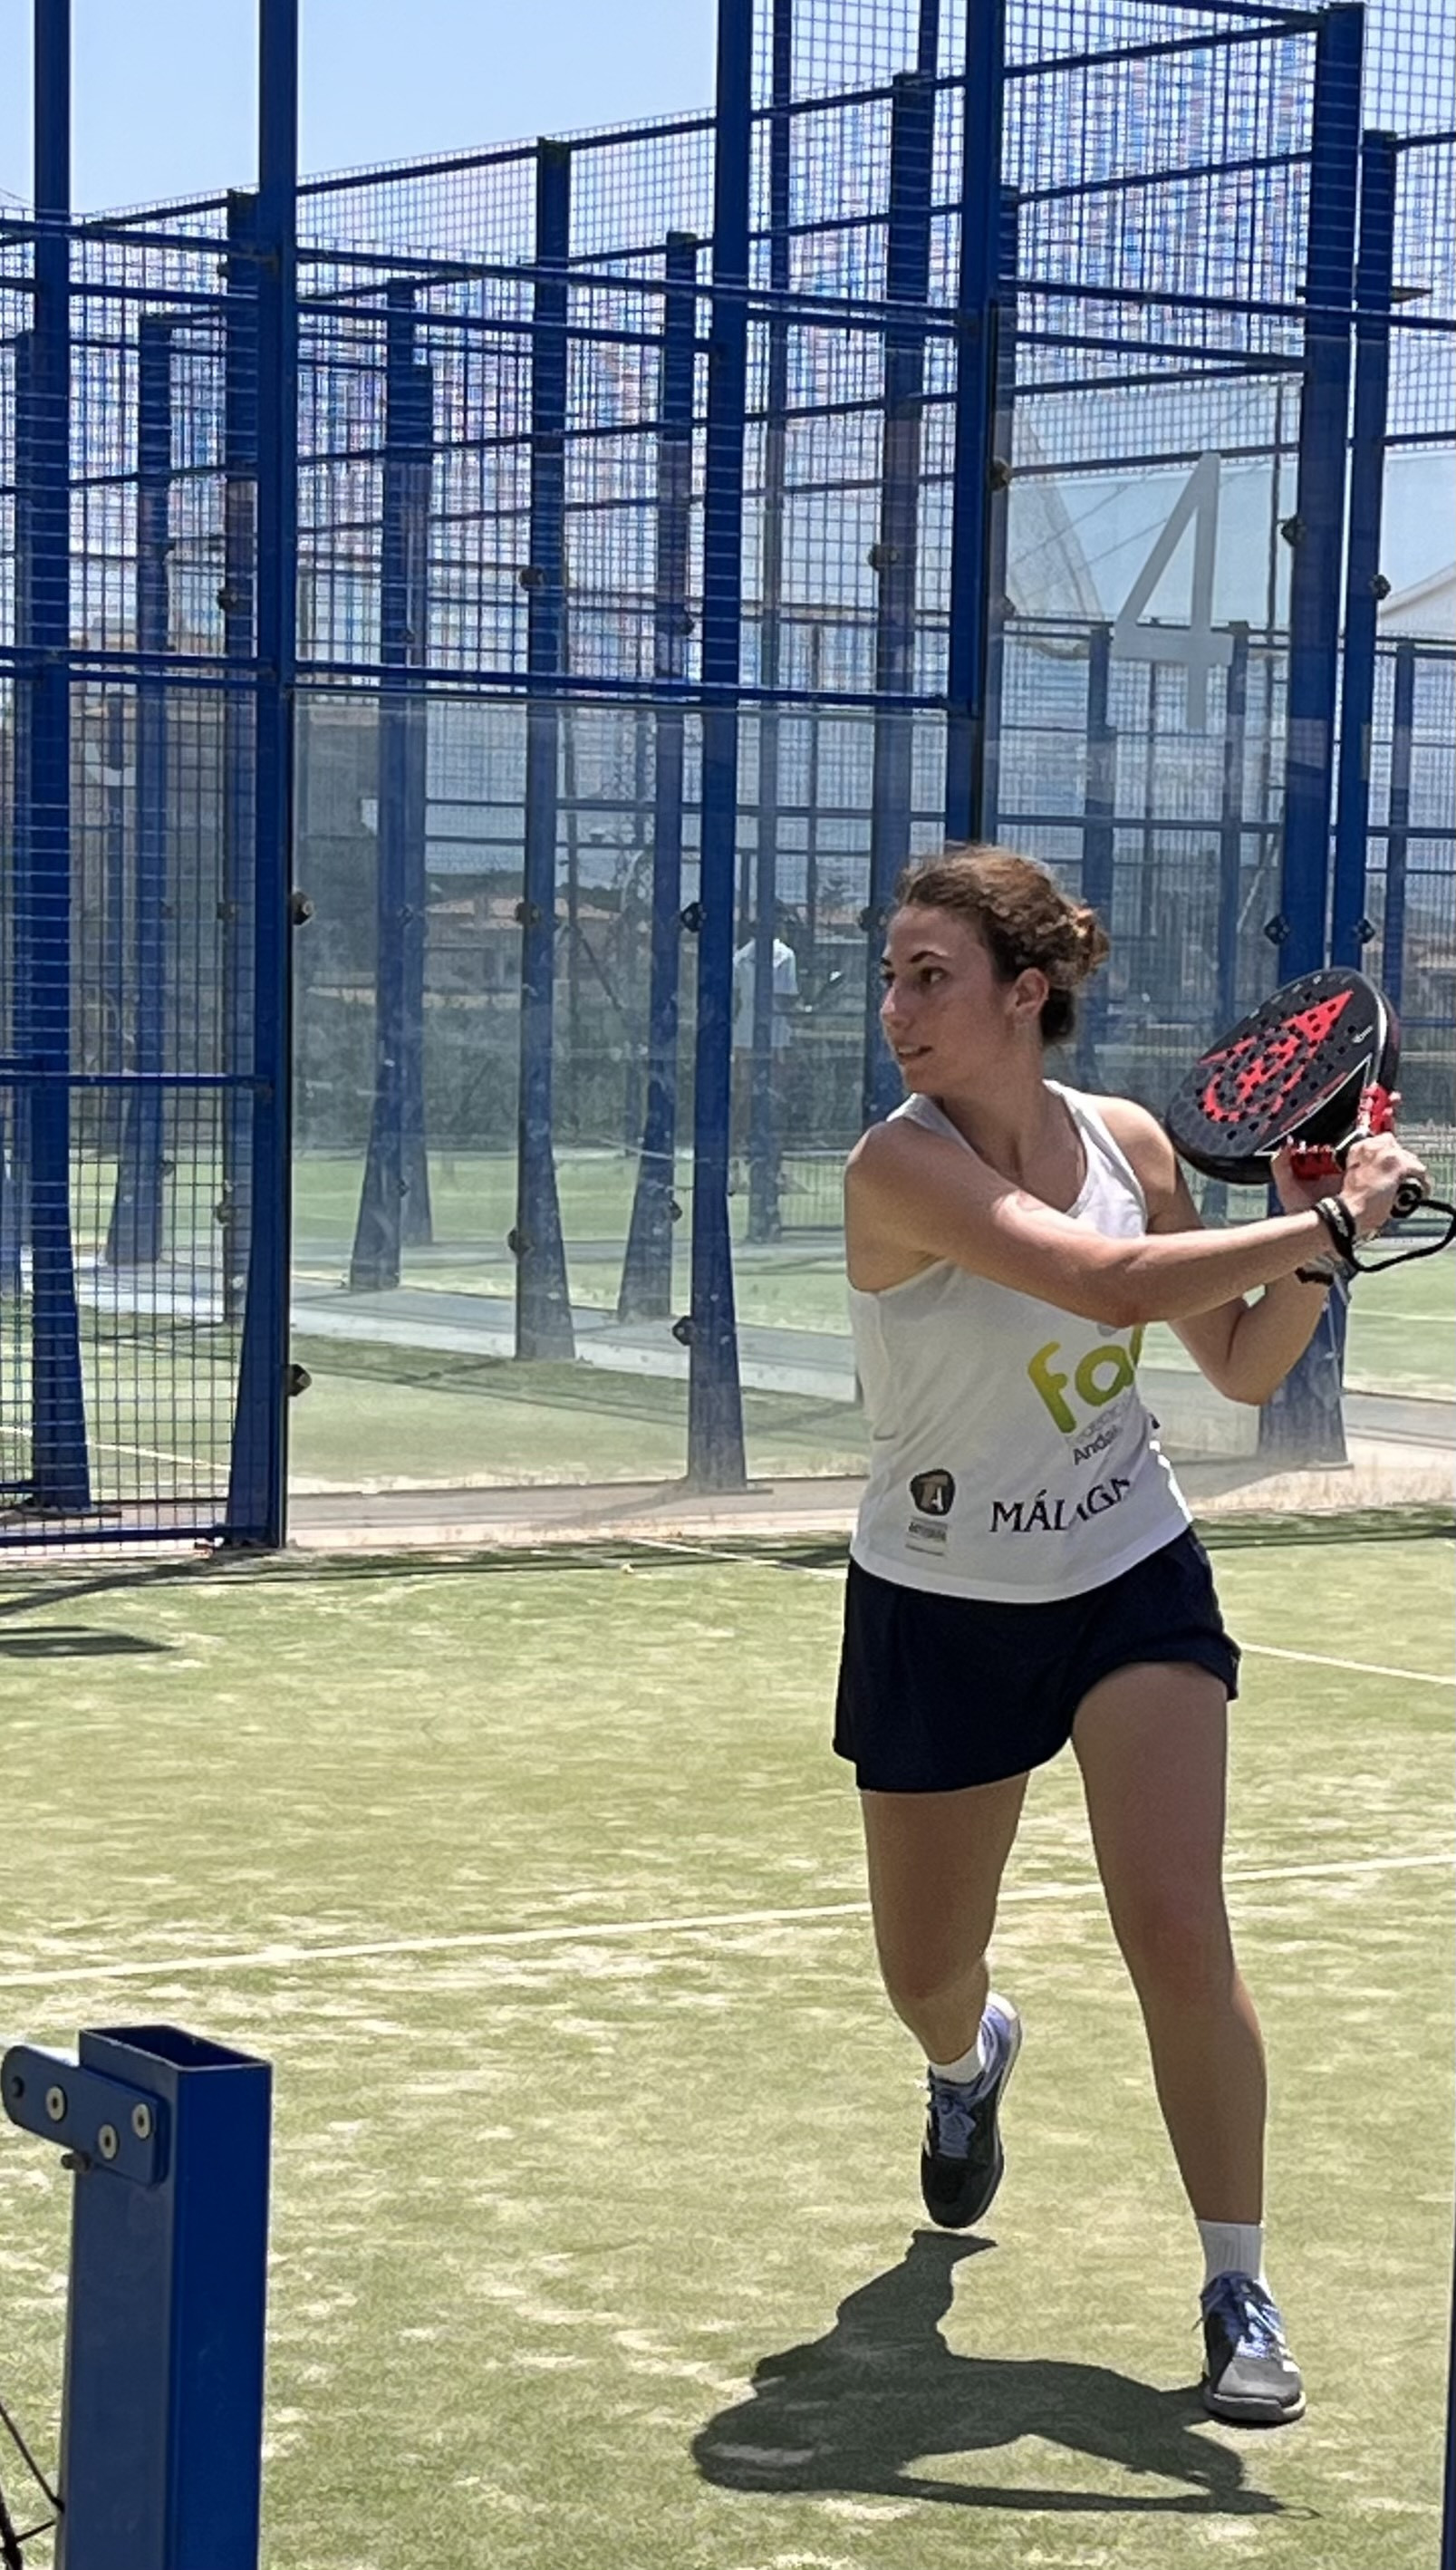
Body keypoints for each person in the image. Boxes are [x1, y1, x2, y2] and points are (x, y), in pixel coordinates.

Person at [836, 845, 1425, 2428]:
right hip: (938, 1603)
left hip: (1126, 1568)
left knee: (1177, 1926)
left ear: (1025, 992)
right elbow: (1104, 1287)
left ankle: (1239, 2283)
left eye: (930, 976)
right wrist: (1330, 1221)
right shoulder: (895, 1169)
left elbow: (1238, 1365)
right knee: (925, 1971)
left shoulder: (1131, 1143)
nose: (897, 1007)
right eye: (892, 977)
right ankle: (968, 2063)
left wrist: (1313, 1244)